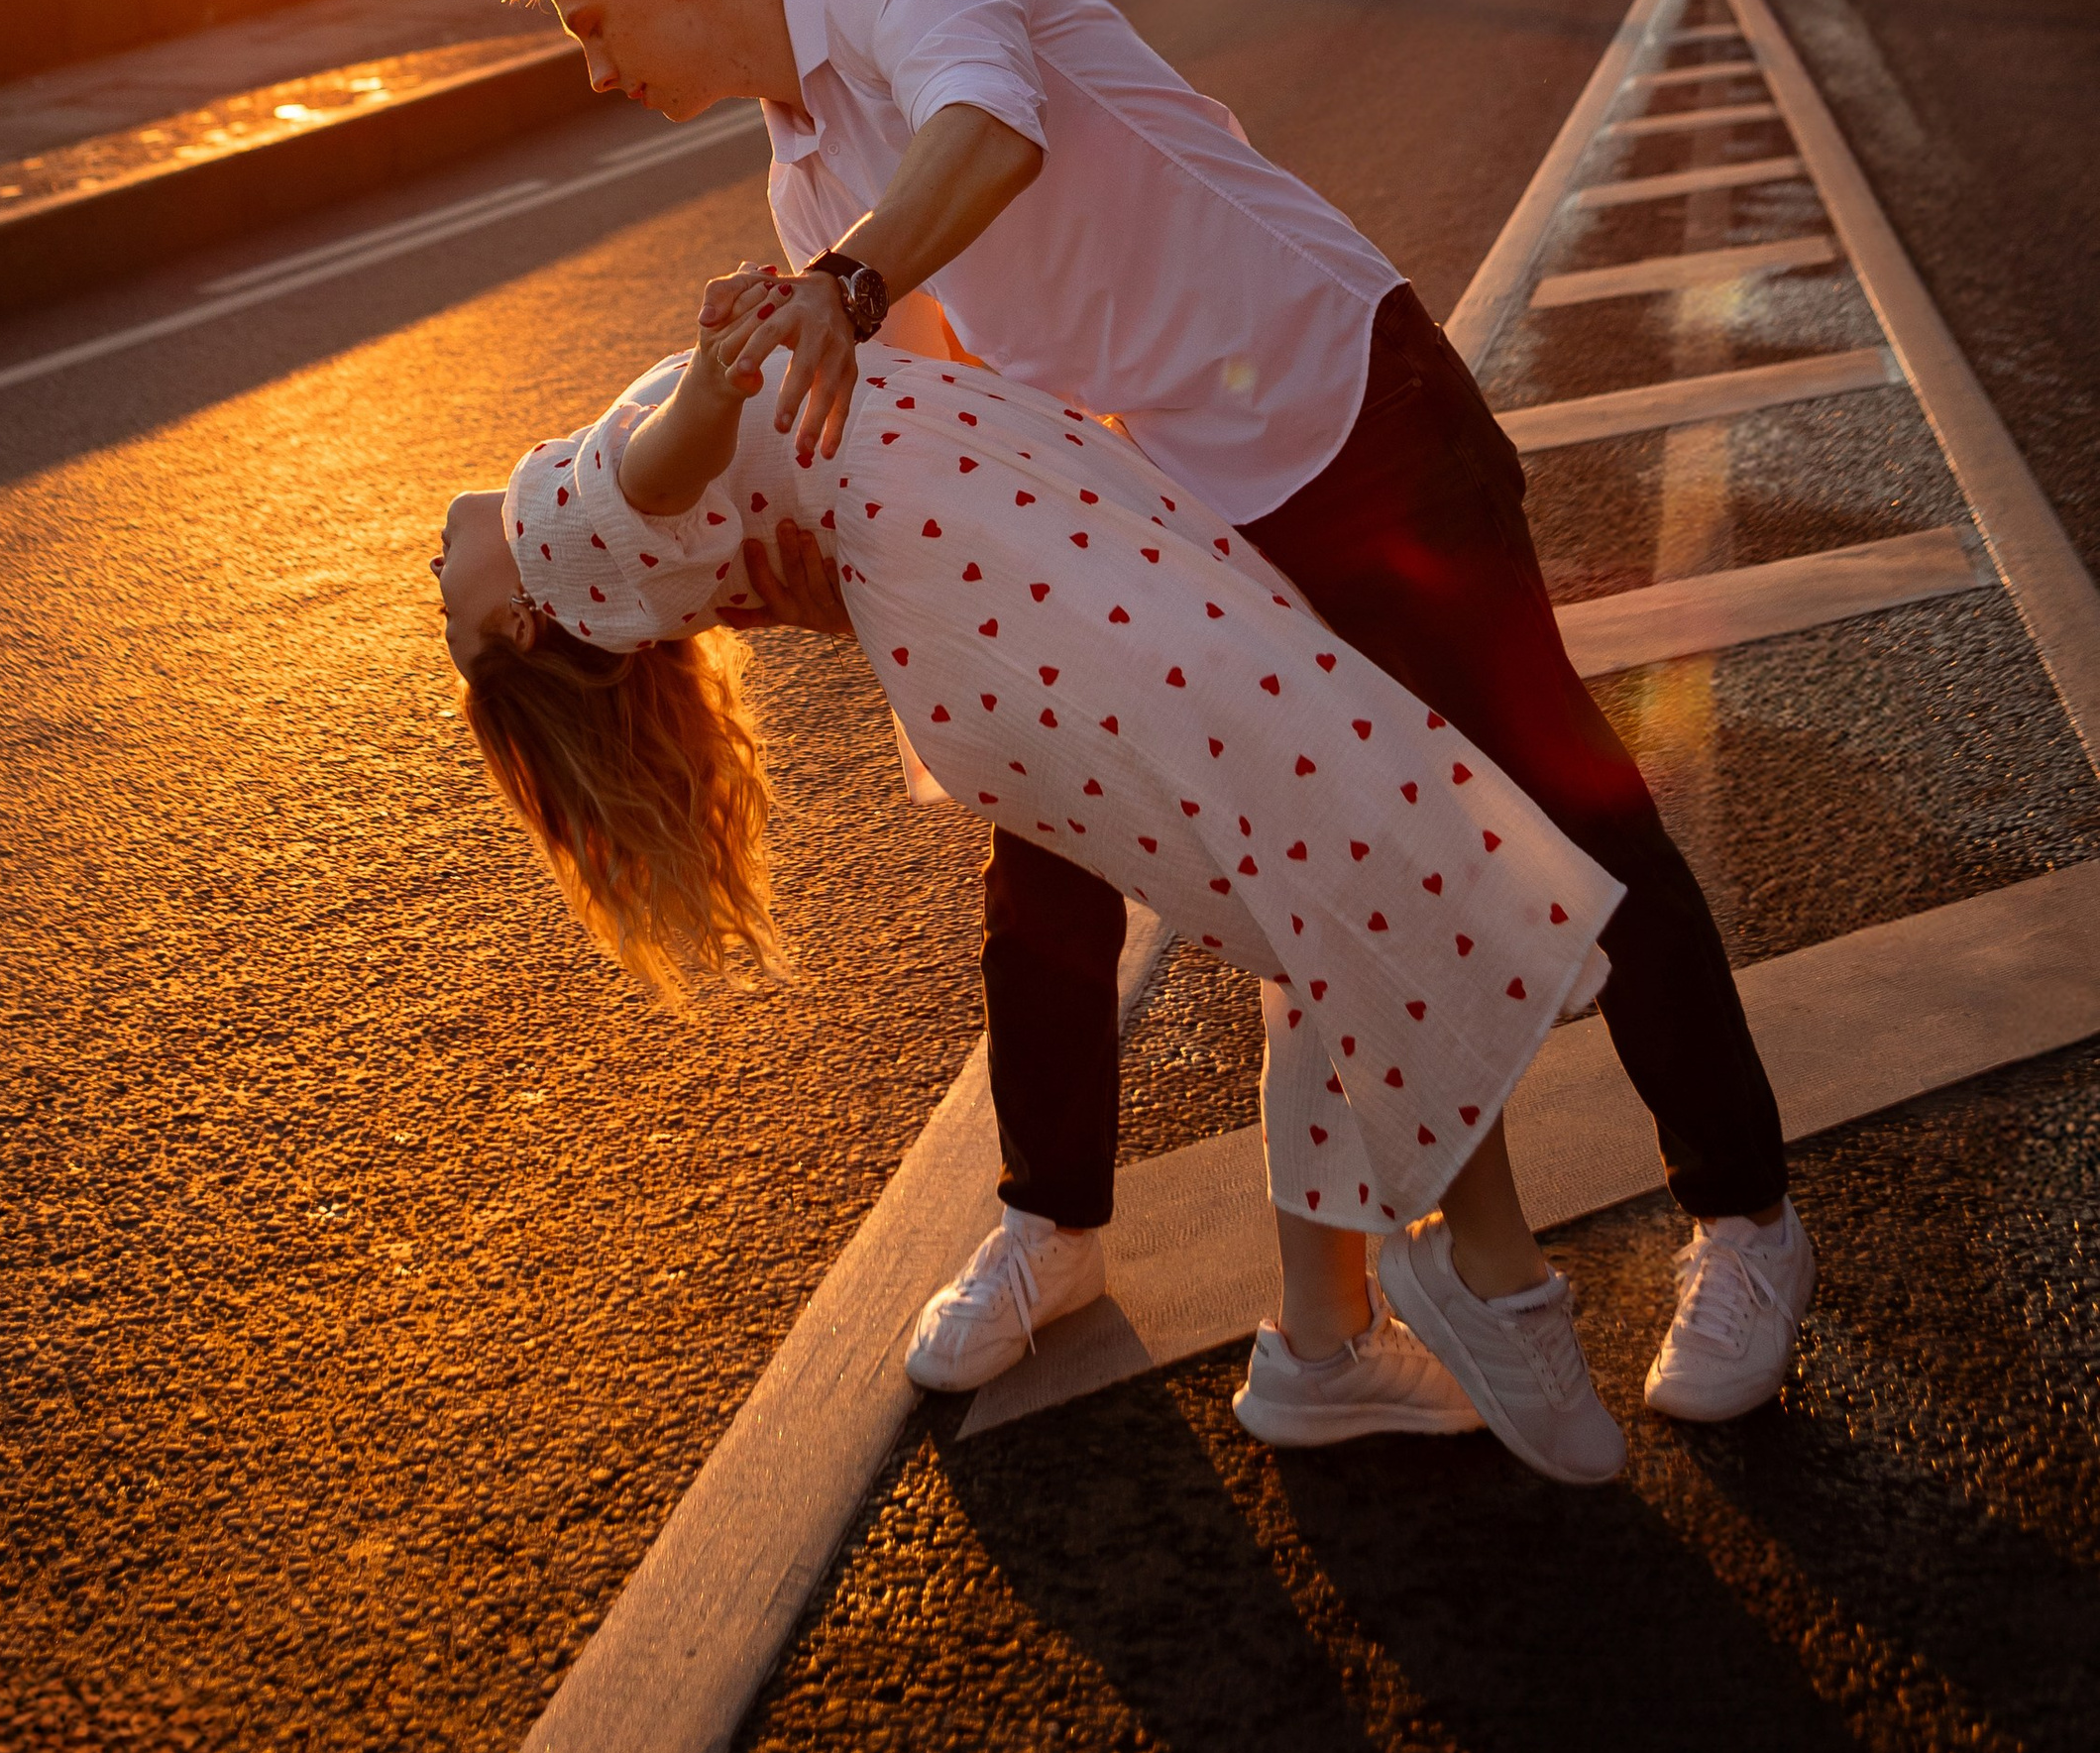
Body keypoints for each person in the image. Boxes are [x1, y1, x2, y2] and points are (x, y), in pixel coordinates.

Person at [486, 0, 1817, 1443]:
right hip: (1172, 504)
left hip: (1350, 406)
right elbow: (945, 435)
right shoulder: (804, 177)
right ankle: (1055, 1230)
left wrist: (839, 286)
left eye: (587, 21)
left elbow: (991, 131)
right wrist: (820, 578)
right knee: (1038, 850)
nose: (592, 64)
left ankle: (1744, 1223)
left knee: (1570, 801)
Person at [435, 283, 1633, 1480]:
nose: (432, 568)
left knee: (1306, 868)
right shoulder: (554, 537)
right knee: (1336, 829)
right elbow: (653, 473)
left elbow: (712, 494)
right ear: (525, 626)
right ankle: (1491, 1269)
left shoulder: (588, 561)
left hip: (1025, 547)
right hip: (1023, 579)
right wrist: (722, 368)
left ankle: (1325, 1350)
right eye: (451, 614)